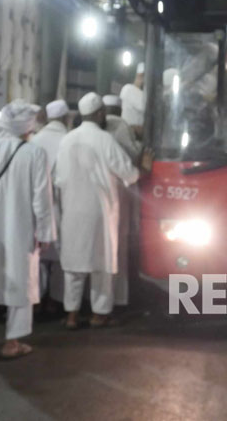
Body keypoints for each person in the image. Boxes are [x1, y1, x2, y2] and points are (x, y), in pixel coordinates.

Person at [0, 100, 55, 358]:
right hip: (22, 229)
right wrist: (45, 232)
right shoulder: (35, 154)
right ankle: (12, 341)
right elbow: (42, 198)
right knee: (21, 282)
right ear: (28, 126)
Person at [55, 93, 140, 329]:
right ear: (101, 113)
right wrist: (141, 169)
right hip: (100, 212)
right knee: (102, 266)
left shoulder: (67, 140)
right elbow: (128, 173)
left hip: (72, 210)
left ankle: (71, 315)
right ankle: (99, 314)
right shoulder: (105, 140)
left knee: (74, 265)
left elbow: (59, 178)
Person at [103, 95, 142, 309]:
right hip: (121, 190)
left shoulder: (96, 129)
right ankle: (118, 298)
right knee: (119, 246)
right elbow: (133, 157)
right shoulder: (121, 126)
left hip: (97, 193)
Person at [30, 99, 69, 308]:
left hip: (36, 206)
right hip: (62, 206)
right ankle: (55, 301)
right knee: (61, 257)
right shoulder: (68, 139)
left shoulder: (35, 140)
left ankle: (36, 298)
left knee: (38, 256)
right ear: (65, 118)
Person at [119, 62, 145, 131]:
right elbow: (146, 107)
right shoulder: (129, 89)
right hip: (131, 134)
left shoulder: (143, 93)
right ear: (140, 76)